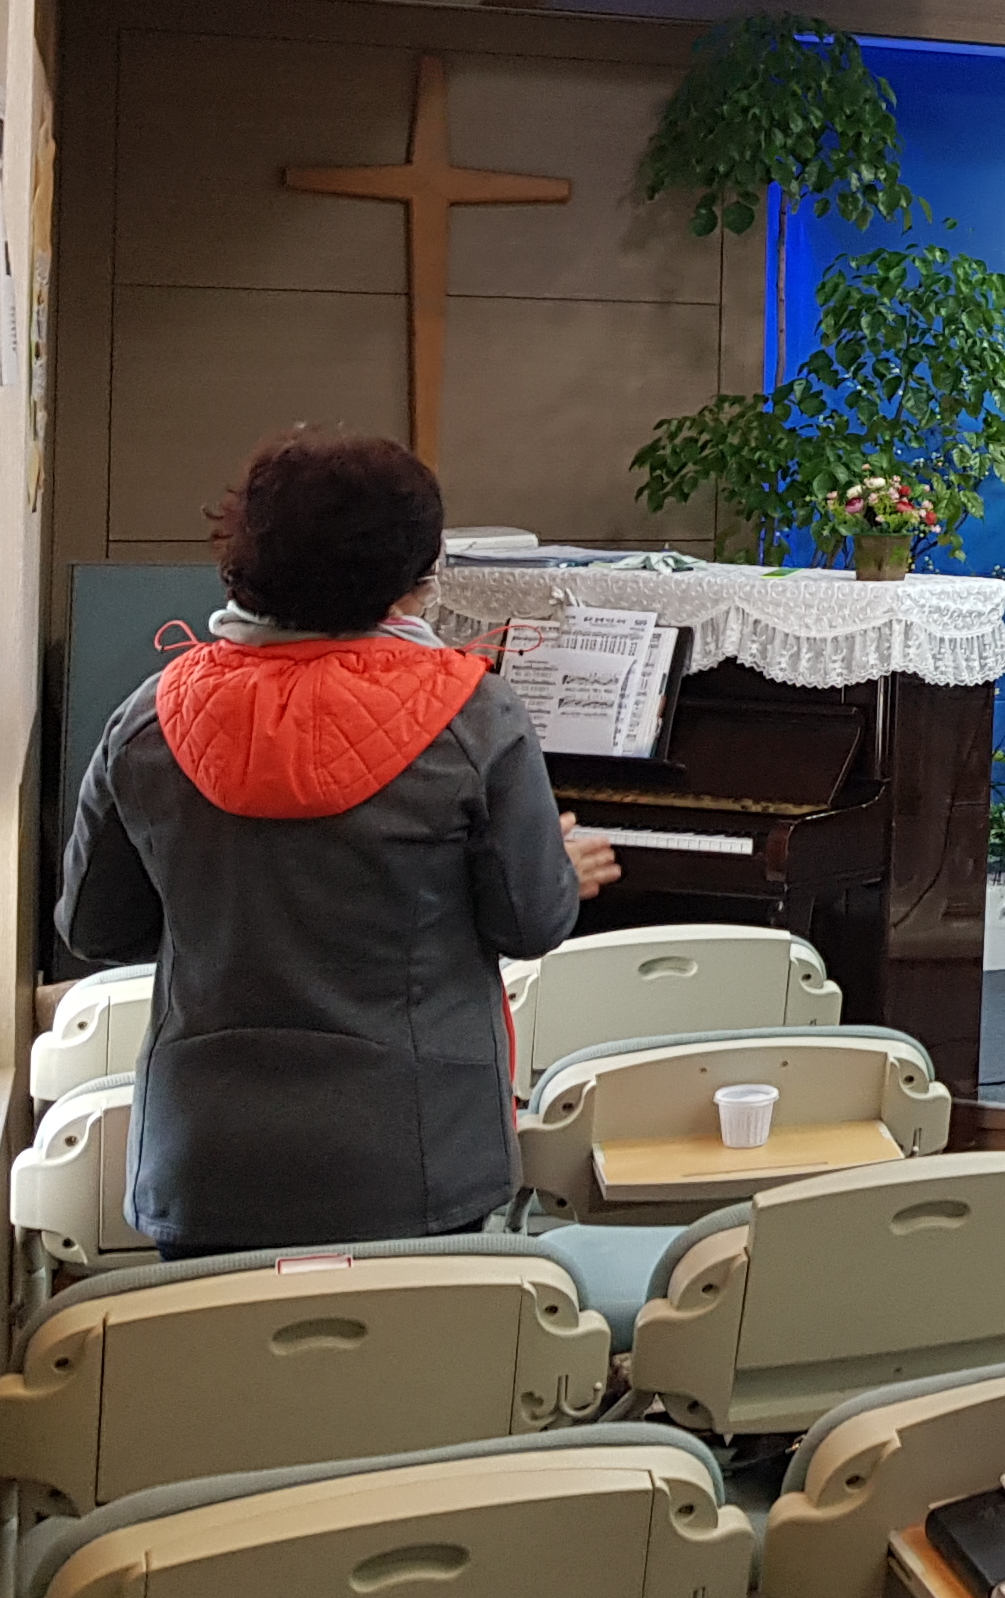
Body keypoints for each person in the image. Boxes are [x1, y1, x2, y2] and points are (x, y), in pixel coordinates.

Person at [61, 429, 621, 1255]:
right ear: (415, 579)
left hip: (206, 1153)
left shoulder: (148, 718)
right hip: (417, 1150)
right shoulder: (475, 719)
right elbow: (529, 922)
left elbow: (96, 928)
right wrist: (557, 871)